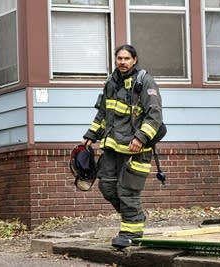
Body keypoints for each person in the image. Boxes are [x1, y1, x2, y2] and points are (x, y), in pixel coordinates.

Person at [82, 44, 164, 248]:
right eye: (119, 58)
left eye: (127, 58)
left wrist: (140, 138)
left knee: (127, 191)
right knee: (107, 186)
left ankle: (132, 233)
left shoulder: (145, 82)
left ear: (134, 60)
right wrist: (91, 135)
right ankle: (136, 216)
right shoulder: (111, 82)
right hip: (112, 147)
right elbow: (103, 113)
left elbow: (155, 116)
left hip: (136, 149)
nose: (122, 62)